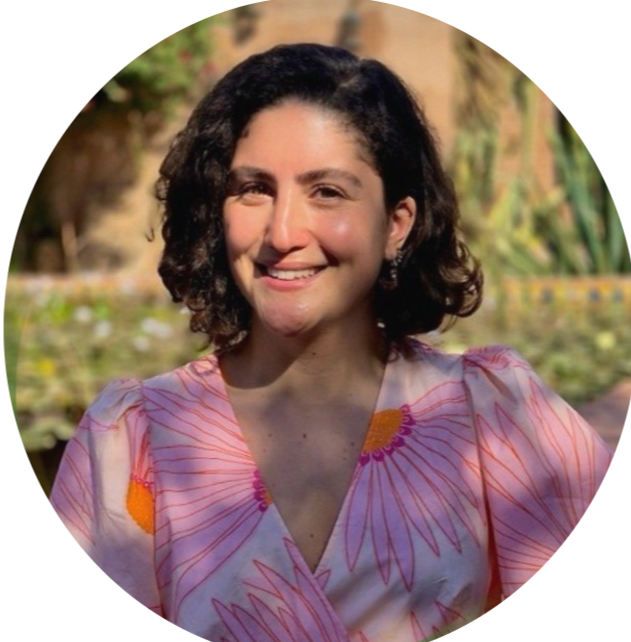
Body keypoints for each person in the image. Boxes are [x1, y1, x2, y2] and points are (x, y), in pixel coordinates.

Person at [50, 44, 612, 642]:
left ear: (397, 224)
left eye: (327, 192)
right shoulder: (132, 439)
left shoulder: (497, 415)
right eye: (253, 188)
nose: (282, 232)